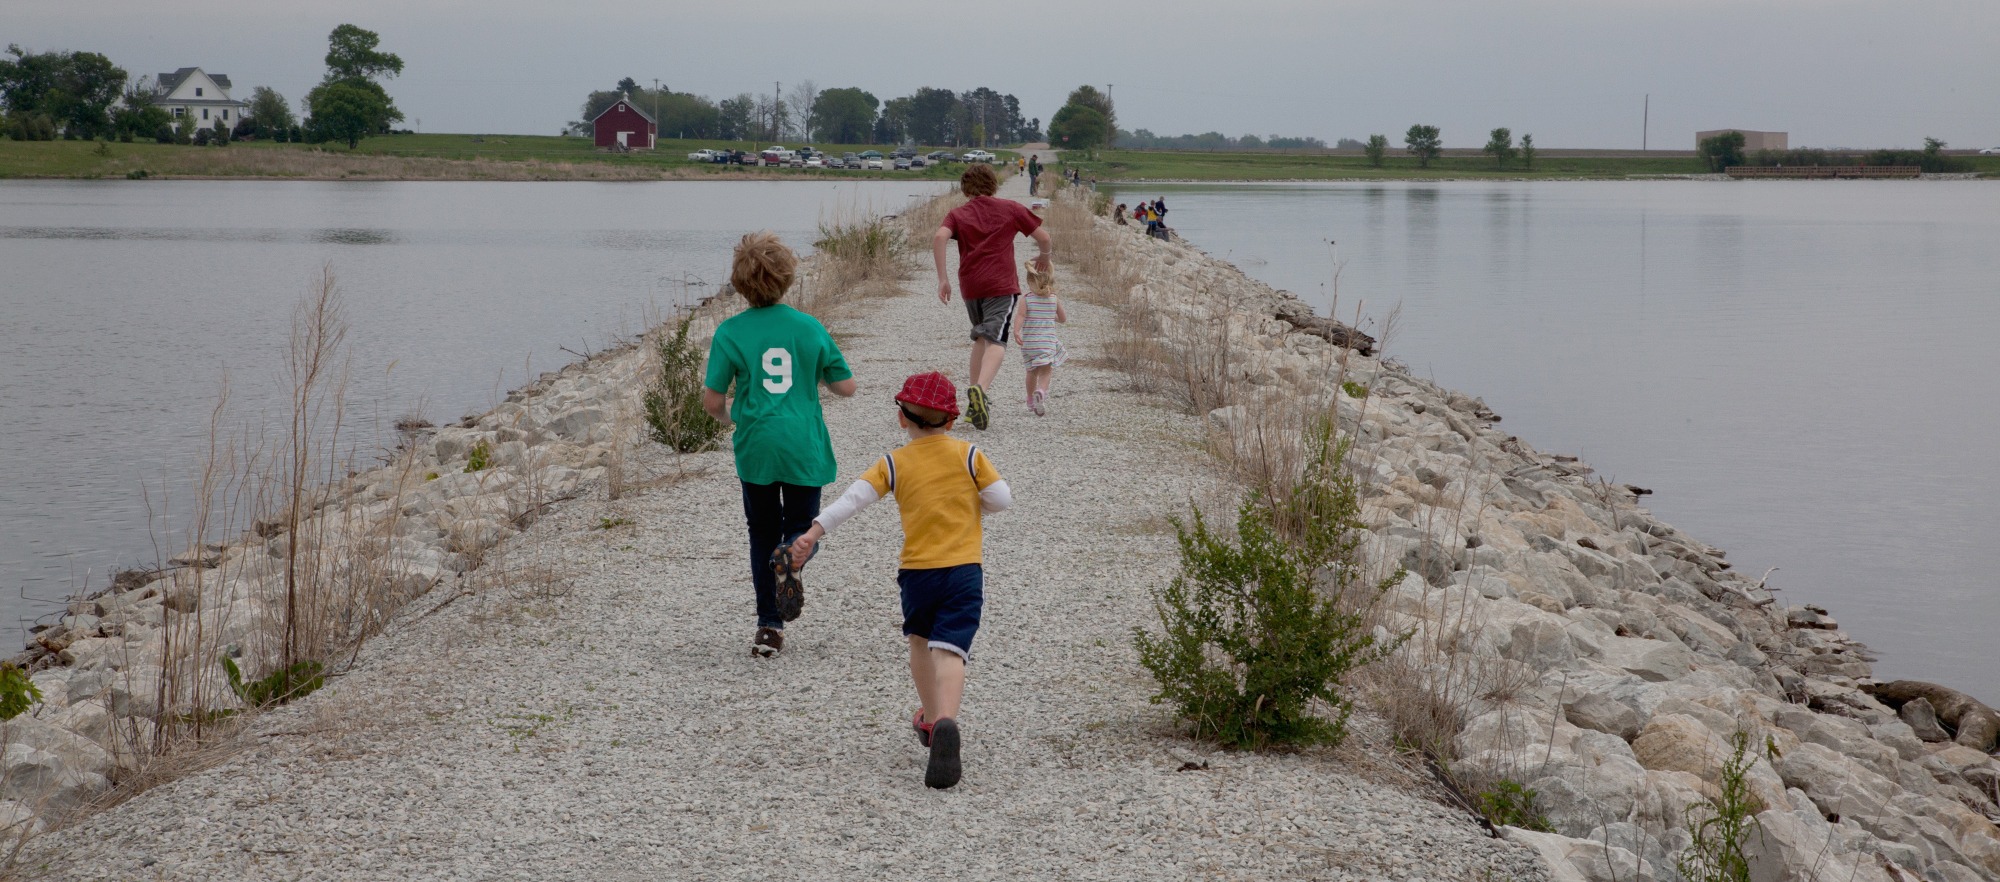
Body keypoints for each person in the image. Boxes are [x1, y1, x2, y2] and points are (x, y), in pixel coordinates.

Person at [787, 372, 1012, 790]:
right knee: (951, 648)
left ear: (901, 418)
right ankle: (947, 720)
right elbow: (1001, 499)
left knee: (921, 642)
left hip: (917, 573)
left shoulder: (893, 463)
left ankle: (930, 719)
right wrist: (974, 502)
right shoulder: (969, 455)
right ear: (951, 420)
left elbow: (852, 500)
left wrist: (812, 533)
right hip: (964, 570)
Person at [701, 232, 857, 658]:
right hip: (803, 443)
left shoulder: (730, 332)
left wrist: (734, 418)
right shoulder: (809, 327)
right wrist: (816, 374)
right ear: (787, 278)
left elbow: (713, 402)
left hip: (757, 445)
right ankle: (793, 553)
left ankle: (769, 627)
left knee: (761, 531)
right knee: (803, 526)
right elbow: (846, 387)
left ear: (739, 283)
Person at [932, 163, 1053, 430]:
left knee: (981, 336)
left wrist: (943, 279)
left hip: (971, 286)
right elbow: (1044, 238)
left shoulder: (958, 214)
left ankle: (975, 403)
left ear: (965, 190)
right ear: (993, 185)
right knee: (997, 340)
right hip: (1000, 285)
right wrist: (1044, 257)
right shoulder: (1010, 208)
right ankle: (980, 390)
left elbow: (940, 237)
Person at [1013, 264, 1067, 416]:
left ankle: (1030, 399)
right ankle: (1041, 392)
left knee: (1031, 371)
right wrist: (1050, 316)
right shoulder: (1053, 299)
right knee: (1046, 371)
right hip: (1046, 343)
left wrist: (1016, 331)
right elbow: (1063, 318)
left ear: (1030, 281)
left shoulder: (1026, 299)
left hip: (1029, 344)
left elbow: (1021, 316)